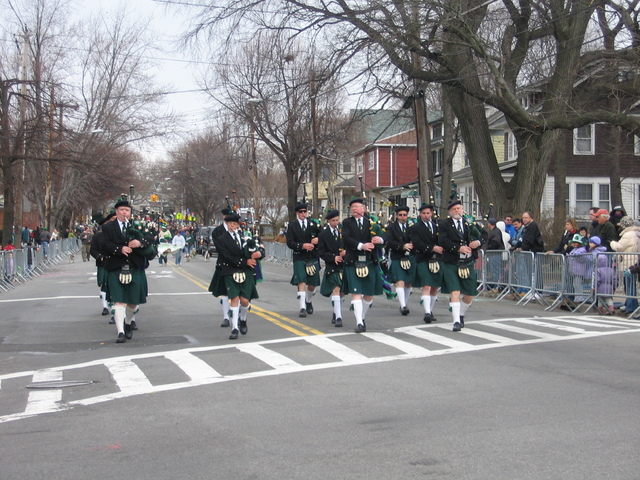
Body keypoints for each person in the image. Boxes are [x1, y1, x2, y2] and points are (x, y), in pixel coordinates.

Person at [99, 200, 155, 343]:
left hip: (134, 267)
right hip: (116, 267)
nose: (125, 212)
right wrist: (119, 249)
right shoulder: (108, 227)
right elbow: (103, 244)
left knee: (133, 303)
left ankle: (128, 323)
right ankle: (121, 332)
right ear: (116, 211)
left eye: (127, 210)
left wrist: (140, 242)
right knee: (119, 301)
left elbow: (151, 238)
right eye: (122, 210)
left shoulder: (138, 225)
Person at [212, 212, 264, 340]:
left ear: (237, 225)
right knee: (234, 298)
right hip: (230, 271)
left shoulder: (245, 237)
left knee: (245, 300)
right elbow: (226, 256)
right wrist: (245, 261)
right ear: (227, 224)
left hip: (246, 272)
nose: (232, 226)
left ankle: (243, 318)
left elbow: (258, 248)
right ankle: (234, 328)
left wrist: (259, 254)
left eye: (234, 224)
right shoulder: (222, 239)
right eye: (230, 224)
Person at [438, 200, 484, 331]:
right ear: (450, 212)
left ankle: (461, 315)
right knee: (455, 291)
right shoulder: (444, 224)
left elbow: (485, 235)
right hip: (451, 262)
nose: (457, 211)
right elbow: (442, 240)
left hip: (468, 262)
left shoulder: (469, 222)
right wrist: (458, 248)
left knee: (470, 294)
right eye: (454, 209)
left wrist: (478, 242)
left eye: (459, 208)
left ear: (462, 210)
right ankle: (456, 322)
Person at [341, 198, 385, 332]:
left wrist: (380, 239)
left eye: (356, 206)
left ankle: (362, 317)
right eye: (352, 207)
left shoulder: (371, 224)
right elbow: (347, 239)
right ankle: (359, 323)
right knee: (356, 292)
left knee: (368, 295)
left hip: (369, 261)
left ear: (363, 209)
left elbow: (384, 239)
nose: (354, 209)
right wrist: (362, 246)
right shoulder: (347, 222)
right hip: (353, 260)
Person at [409, 203, 443, 323]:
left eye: (428, 213)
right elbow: (417, 243)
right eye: (423, 213)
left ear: (432, 213)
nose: (426, 215)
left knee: (434, 287)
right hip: (423, 258)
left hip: (437, 259)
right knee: (426, 285)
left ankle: (430, 310)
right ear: (420, 214)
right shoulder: (415, 228)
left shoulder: (437, 226)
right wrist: (432, 248)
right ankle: (427, 312)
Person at [285, 203, 321, 318]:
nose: (303, 214)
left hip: (312, 256)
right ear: (297, 213)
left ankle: (308, 301)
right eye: (301, 212)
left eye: (305, 211)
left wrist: (317, 239)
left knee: (312, 284)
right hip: (299, 256)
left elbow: (323, 236)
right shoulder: (292, 226)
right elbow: (290, 243)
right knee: (301, 281)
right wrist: (302, 245)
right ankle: (302, 308)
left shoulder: (313, 224)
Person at [384, 205, 416, 316]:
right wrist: (402, 246)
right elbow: (389, 242)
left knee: (408, 283)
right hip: (397, 256)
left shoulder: (412, 227)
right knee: (400, 281)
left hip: (410, 257)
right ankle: (403, 305)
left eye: (404, 215)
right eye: (400, 215)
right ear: (397, 216)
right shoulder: (391, 227)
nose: (402, 217)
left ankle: (404, 303)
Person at [317, 209, 345, 327]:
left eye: (337, 220)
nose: (336, 223)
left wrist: (345, 253)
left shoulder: (343, 232)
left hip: (344, 265)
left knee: (342, 292)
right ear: (328, 221)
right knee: (336, 289)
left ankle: (336, 312)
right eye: (333, 221)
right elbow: (321, 252)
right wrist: (333, 258)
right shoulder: (323, 235)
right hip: (332, 266)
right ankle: (338, 317)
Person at [610, 216, 640, 314]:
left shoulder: (627, 235)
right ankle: (632, 304)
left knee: (629, 286)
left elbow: (619, 247)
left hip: (629, 262)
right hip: (635, 261)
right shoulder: (637, 233)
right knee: (632, 286)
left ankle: (631, 306)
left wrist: (612, 243)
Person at [91, 213, 117, 321]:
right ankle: (105, 306)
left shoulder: (119, 234)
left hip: (116, 264)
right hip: (103, 264)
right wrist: (99, 257)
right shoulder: (98, 236)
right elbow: (93, 250)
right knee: (103, 284)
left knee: (115, 287)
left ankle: (114, 313)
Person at [210, 208, 233, 327]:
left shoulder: (238, 231)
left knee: (237, 292)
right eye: (227, 217)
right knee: (224, 293)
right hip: (223, 263)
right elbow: (221, 249)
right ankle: (226, 317)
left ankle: (237, 314)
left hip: (237, 265)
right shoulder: (217, 232)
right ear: (223, 217)